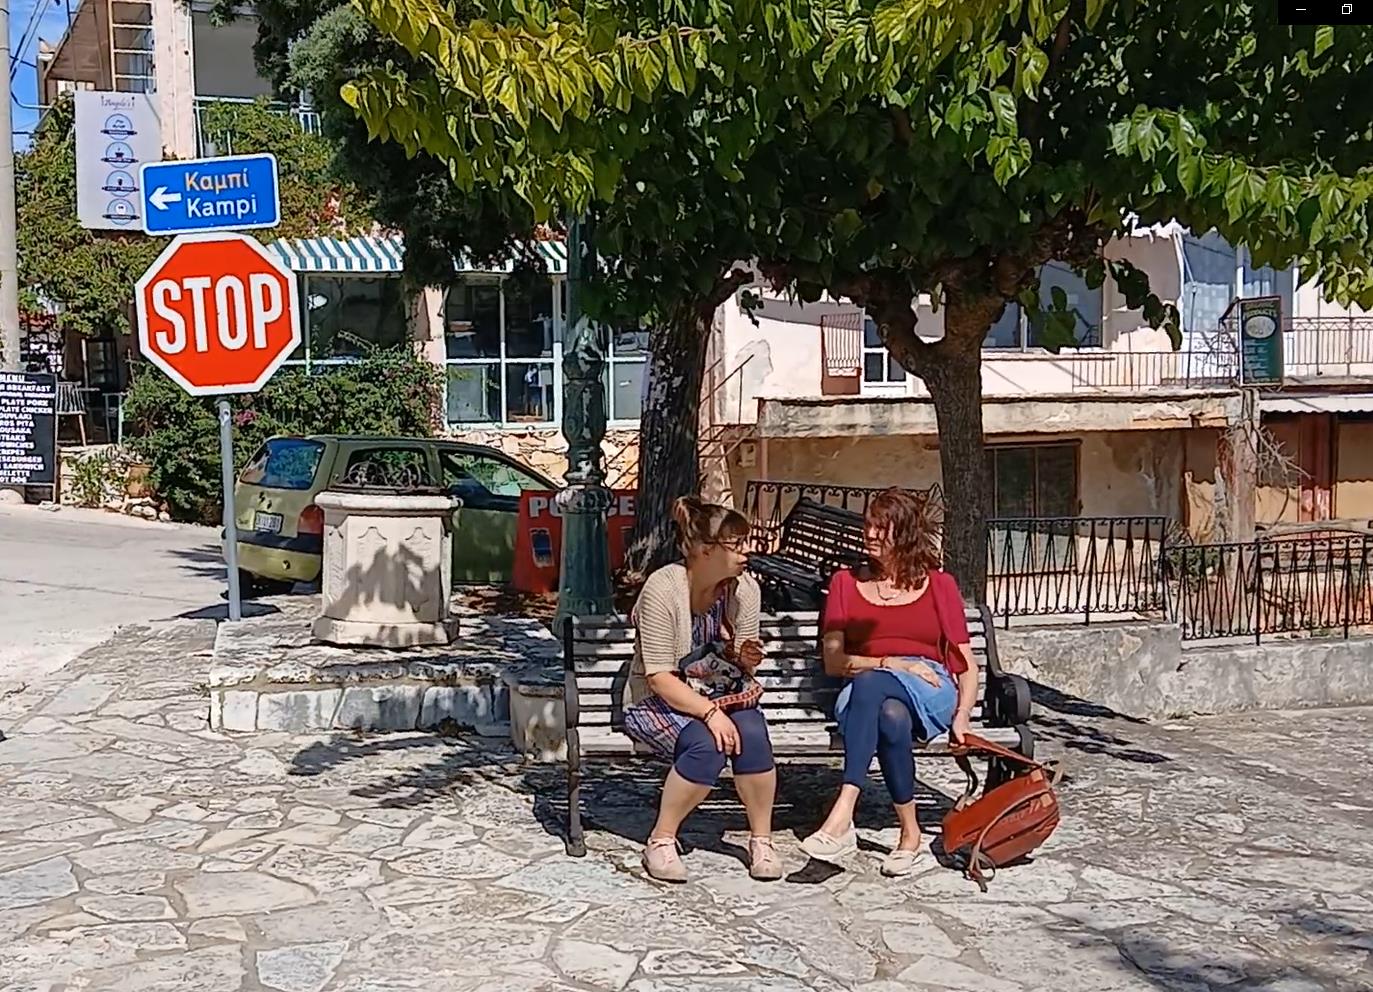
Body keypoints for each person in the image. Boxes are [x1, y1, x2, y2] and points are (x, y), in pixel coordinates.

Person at [800, 488, 979, 877]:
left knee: (877, 690)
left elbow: (966, 665)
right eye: (868, 524)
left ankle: (843, 813)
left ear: (907, 533)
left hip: (927, 684)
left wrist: (963, 715)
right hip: (863, 686)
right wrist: (889, 662)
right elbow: (834, 661)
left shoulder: (939, 585)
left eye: (882, 527)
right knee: (889, 715)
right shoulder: (845, 584)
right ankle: (910, 834)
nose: (870, 534)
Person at [624, 496, 782, 883]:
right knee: (706, 744)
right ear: (705, 550)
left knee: (753, 734)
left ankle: (761, 840)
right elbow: (659, 677)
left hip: (719, 691)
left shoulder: (744, 589)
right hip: (658, 698)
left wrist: (746, 656)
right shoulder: (663, 588)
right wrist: (710, 715)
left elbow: (740, 665)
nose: (747, 551)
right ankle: (661, 840)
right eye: (737, 544)